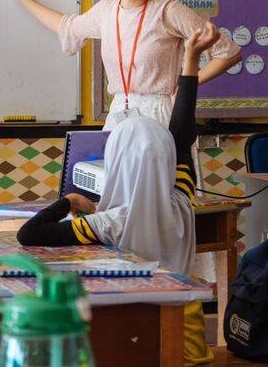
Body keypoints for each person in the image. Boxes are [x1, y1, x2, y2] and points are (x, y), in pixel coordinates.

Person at [17, 21, 222, 365]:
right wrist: (190, 57)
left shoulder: (109, 222)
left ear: (118, 162)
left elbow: (29, 234)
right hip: (187, 347)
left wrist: (68, 201)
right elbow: (182, 131)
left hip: (136, 341)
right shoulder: (180, 200)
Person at [2, 0, 241, 130]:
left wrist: (186, 86)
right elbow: (66, 26)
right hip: (119, 114)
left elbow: (228, 52)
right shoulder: (106, 10)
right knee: (115, 185)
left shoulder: (168, 10)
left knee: (156, 185)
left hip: (160, 115)